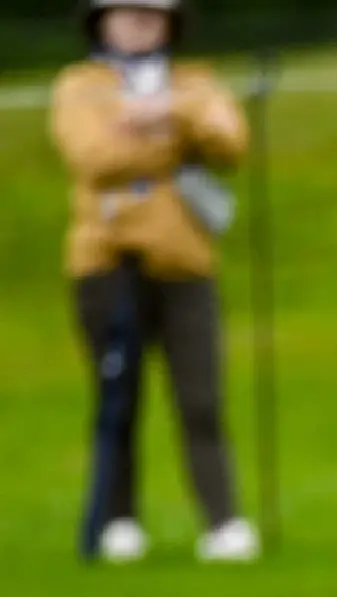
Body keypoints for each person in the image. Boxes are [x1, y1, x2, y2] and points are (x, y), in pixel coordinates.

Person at [51, 0, 258, 563]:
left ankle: (223, 521)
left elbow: (230, 141)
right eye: (126, 13)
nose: (139, 23)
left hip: (185, 261)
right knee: (118, 396)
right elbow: (91, 156)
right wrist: (175, 129)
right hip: (106, 261)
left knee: (201, 397)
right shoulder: (79, 85)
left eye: (151, 14)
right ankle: (119, 520)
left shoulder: (195, 82)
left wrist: (160, 116)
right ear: (101, 20)